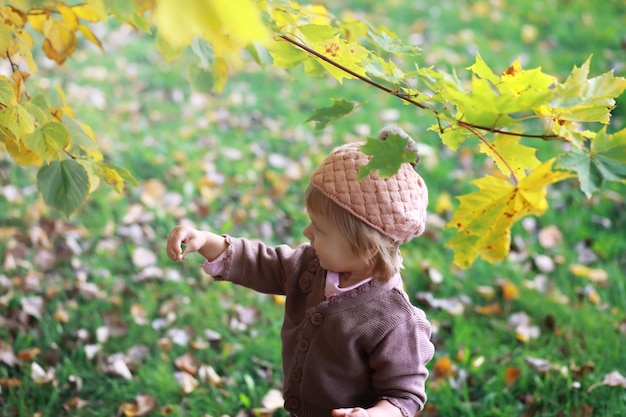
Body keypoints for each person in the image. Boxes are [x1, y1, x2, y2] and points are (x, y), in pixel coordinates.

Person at [166, 125, 435, 417]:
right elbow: (261, 262)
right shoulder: (310, 264)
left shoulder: (394, 320)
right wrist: (206, 241)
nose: (307, 233)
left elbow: (403, 394)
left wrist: (374, 414)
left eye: (320, 229)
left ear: (367, 248)